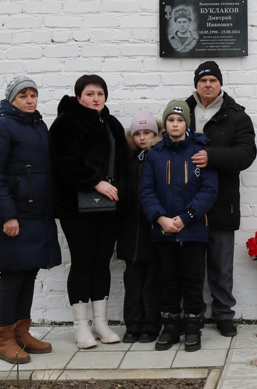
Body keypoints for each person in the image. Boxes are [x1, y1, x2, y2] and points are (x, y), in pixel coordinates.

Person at [0, 76, 62, 363]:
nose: (29, 100)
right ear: (11, 99)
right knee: (13, 275)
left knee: (29, 272)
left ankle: (21, 332)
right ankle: (4, 339)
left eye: (33, 95)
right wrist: (8, 215)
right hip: (14, 216)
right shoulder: (0, 127)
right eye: (23, 95)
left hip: (36, 215)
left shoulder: (39, 126)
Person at [50, 74, 130, 349]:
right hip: (76, 208)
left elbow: (123, 163)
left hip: (109, 208)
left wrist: (119, 191)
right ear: (78, 96)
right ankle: (80, 326)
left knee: (102, 262)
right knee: (83, 262)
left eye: (100, 94)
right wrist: (96, 182)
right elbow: (64, 161)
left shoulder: (111, 124)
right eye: (90, 94)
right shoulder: (65, 123)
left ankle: (101, 323)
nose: (96, 99)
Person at [184, 61, 257, 337]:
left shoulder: (236, 116)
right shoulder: (181, 110)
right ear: (196, 84)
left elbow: (246, 154)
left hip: (221, 201)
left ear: (220, 84)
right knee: (188, 263)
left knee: (221, 263)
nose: (208, 85)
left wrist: (212, 157)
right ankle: (191, 314)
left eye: (213, 80)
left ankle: (223, 313)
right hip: (185, 201)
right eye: (203, 81)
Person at [140, 101, 218, 352]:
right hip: (164, 231)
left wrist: (187, 217)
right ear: (166, 124)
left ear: (187, 123)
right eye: (171, 120)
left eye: (180, 120)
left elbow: (208, 190)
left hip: (193, 229)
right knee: (168, 280)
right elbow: (146, 191)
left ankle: (193, 327)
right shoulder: (155, 154)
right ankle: (171, 327)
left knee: (193, 279)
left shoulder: (200, 150)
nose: (175, 124)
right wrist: (160, 218)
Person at [117, 107, 163, 344]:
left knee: (152, 282)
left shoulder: (159, 160)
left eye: (148, 132)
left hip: (153, 231)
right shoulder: (128, 162)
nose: (143, 137)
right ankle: (133, 325)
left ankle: (151, 324)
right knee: (133, 281)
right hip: (130, 232)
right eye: (138, 133)